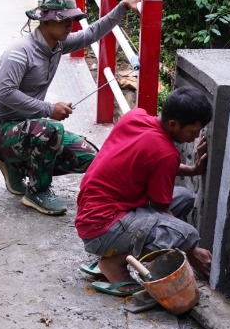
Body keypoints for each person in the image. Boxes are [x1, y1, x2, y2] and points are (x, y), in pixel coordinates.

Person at [0, 0, 144, 215]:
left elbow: (91, 33)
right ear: (45, 21)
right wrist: (49, 109)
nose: (70, 25)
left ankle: (16, 165)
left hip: (27, 128)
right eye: (63, 20)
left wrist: (123, 7)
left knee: (90, 158)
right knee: (51, 131)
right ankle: (37, 191)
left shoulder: (57, 45)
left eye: (72, 20)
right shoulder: (19, 52)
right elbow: (5, 94)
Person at [75, 86, 214, 296]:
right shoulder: (166, 153)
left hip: (91, 214)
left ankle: (119, 251)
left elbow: (150, 161)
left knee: (183, 198)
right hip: (102, 228)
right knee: (187, 234)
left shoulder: (135, 117)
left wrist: (193, 170)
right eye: (192, 131)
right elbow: (162, 210)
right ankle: (114, 263)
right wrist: (191, 249)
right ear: (173, 124)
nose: (194, 138)